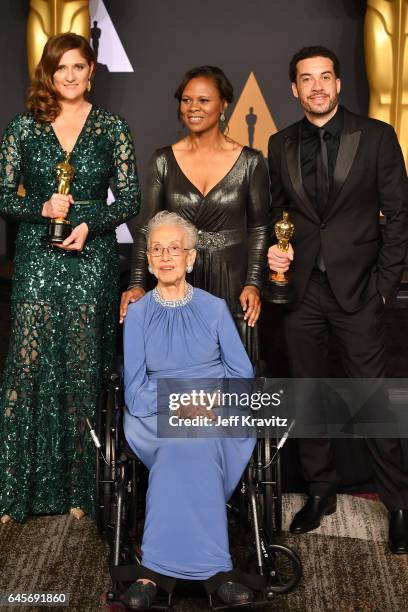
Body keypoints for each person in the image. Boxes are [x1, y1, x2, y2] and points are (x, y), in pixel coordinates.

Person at [267, 46, 408, 554]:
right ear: (294, 89)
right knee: (308, 394)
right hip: (302, 293)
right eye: (307, 79)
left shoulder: (376, 137)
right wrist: (276, 258)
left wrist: (384, 286)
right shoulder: (280, 142)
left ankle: (397, 503)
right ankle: (320, 492)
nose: (317, 87)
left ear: (339, 83)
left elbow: (399, 216)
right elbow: (279, 216)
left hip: (360, 291)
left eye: (325, 77)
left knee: (372, 398)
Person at [0, 33, 140, 523]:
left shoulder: (111, 128)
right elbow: (2, 196)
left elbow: (128, 200)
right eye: (61, 68)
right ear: (48, 72)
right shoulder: (24, 128)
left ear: (91, 71)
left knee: (85, 367)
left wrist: (90, 223)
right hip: (37, 256)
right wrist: (39, 208)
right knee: (29, 365)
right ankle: (17, 492)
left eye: (78, 67)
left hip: (92, 254)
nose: (70, 76)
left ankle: (83, 491)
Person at [122, 211, 256, 609]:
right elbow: (134, 390)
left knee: (194, 443)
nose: (165, 257)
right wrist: (181, 403)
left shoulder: (214, 309)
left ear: (191, 258)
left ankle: (163, 573)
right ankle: (207, 572)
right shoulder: (139, 314)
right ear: (148, 260)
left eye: (174, 249)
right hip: (155, 414)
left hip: (215, 411)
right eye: (157, 250)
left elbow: (242, 373)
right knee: (180, 445)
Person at [120, 65, 270, 362]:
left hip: (231, 279)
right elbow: (146, 229)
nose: (193, 108)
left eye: (204, 100)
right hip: (177, 277)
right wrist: (137, 282)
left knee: (228, 375)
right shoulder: (163, 160)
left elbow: (259, 229)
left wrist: (253, 282)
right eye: (186, 100)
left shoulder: (250, 162)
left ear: (224, 104)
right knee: (176, 369)